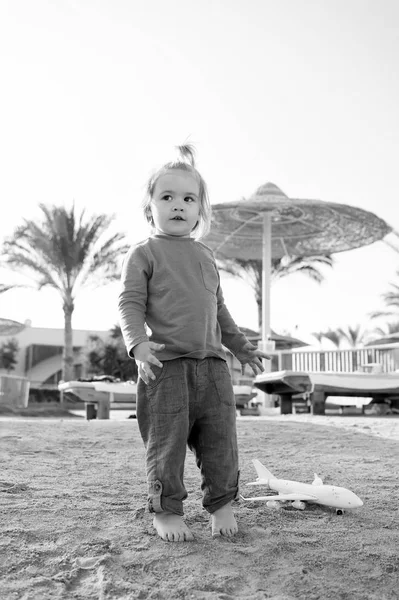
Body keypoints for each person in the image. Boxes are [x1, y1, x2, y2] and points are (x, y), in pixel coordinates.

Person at [118, 144, 270, 542]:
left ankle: (221, 504)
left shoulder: (205, 254)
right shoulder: (143, 254)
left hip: (214, 369)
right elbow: (129, 303)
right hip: (165, 369)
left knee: (222, 444)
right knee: (165, 447)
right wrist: (138, 345)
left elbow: (219, 309)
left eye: (188, 198)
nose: (178, 205)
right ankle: (166, 510)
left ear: (201, 209)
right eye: (166, 197)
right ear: (149, 206)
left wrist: (241, 348)